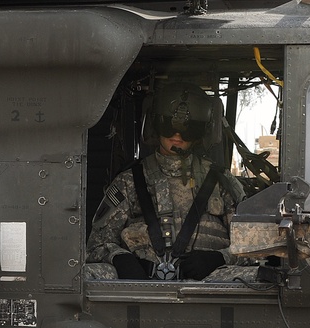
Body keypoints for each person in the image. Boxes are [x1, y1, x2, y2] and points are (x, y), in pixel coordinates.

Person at [86, 81, 245, 281]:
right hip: (140, 285)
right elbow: (95, 246)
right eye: (168, 124)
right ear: (155, 125)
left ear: (201, 132)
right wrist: (119, 258)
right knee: (85, 276)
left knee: (259, 278)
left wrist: (219, 258)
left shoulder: (221, 182)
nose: (177, 134)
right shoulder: (128, 181)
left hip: (205, 286)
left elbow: (253, 247)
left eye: (190, 128)